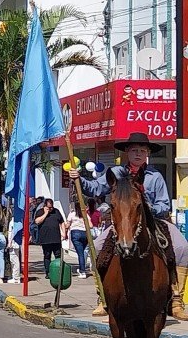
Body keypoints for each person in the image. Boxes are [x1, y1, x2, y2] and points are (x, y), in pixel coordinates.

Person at [69, 132, 188, 319]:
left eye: (142, 150)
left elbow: (164, 203)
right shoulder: (116, 173)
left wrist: (149, 210)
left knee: (182, 247)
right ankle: (103, 297)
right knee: (97, 247)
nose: (138, 154)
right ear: (127, 152)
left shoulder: (155, 176)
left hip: (153, 221)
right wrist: (78, 178)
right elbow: (95, 188)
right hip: (122, 221)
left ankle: (175, 299)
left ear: (148, 152)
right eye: (134, 150)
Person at [34, 198, 65, 279]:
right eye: (48, 207)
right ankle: (48, 272)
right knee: (47, 255)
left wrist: (64, 233)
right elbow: (37, 221)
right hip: (46, 238)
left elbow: (62, 222)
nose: (50, 209)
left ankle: (59, 271)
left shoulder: (56, 211)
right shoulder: (40, 212)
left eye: (51, 207)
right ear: (45, 206)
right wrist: (45, 213)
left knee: (58, 255)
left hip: (56, 238)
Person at [65, 202, 90, 278]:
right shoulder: (85, 215)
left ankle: (82, 271)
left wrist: (65, 233)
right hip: (84, 233)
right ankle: (82, 268)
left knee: (80, 253)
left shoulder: (72, 214)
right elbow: (91, 225)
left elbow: (67, 225)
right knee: (83, 252)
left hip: (75, 233)